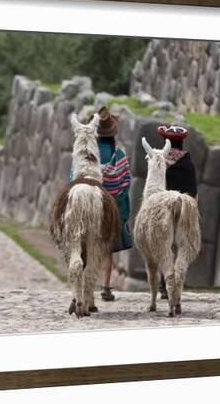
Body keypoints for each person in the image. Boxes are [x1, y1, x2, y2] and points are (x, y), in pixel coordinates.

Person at [70, 106, 133, 302]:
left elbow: (75, 178)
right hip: (110, 208)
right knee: (105, 249)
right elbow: (125, 183)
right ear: (113, 133)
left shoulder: (87, 155)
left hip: (83, 200)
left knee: (80, 245)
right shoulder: (119, 155)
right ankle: (105, 287)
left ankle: (79, 291)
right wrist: (117, 205)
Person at [156, 125, 198, 299]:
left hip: (163, 208)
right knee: (180, 247)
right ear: (181, 143)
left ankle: (163, 283)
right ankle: (174, 283)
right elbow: (193, 190)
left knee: (164, 245)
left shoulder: (160, 161)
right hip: (182, 210)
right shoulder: (188, 163)